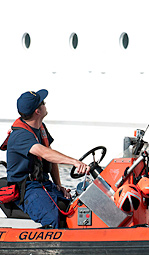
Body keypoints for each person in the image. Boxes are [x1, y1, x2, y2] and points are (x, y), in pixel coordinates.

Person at [6, 89, 90, 228]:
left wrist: (58, 185)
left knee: (73, 206)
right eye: (43, 102)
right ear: (37, 111)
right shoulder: (20, 136)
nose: (46, 104)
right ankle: (46, 247)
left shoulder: (40, 127)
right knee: (52, 217)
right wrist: (74, 162)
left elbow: (50, 158)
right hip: (26, 189)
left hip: (43, 184)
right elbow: (45, 153)